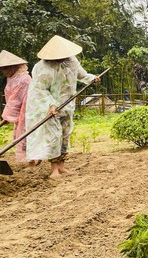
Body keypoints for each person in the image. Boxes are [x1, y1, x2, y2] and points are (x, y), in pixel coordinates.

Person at [25, 35, 100, 177]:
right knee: (54, 136)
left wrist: (91, 78)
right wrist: (50, 104)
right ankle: (54, 169)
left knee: (65, 135)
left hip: (68, 104)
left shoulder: (72, 61)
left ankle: (61, 166)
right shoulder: (42, 67)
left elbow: (82, 74)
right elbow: (39, 89)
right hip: (51, 108)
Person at [0, 50, 32, 163]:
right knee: (19, 135)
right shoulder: (11, 79)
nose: (4, 71)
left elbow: (16, 100)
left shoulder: (24, 79)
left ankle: (32, 162)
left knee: (26, 134)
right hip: (19, 113)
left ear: (14, 66)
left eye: (6, 68)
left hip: (28, 111)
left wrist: (8, 115)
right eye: (2, 69)